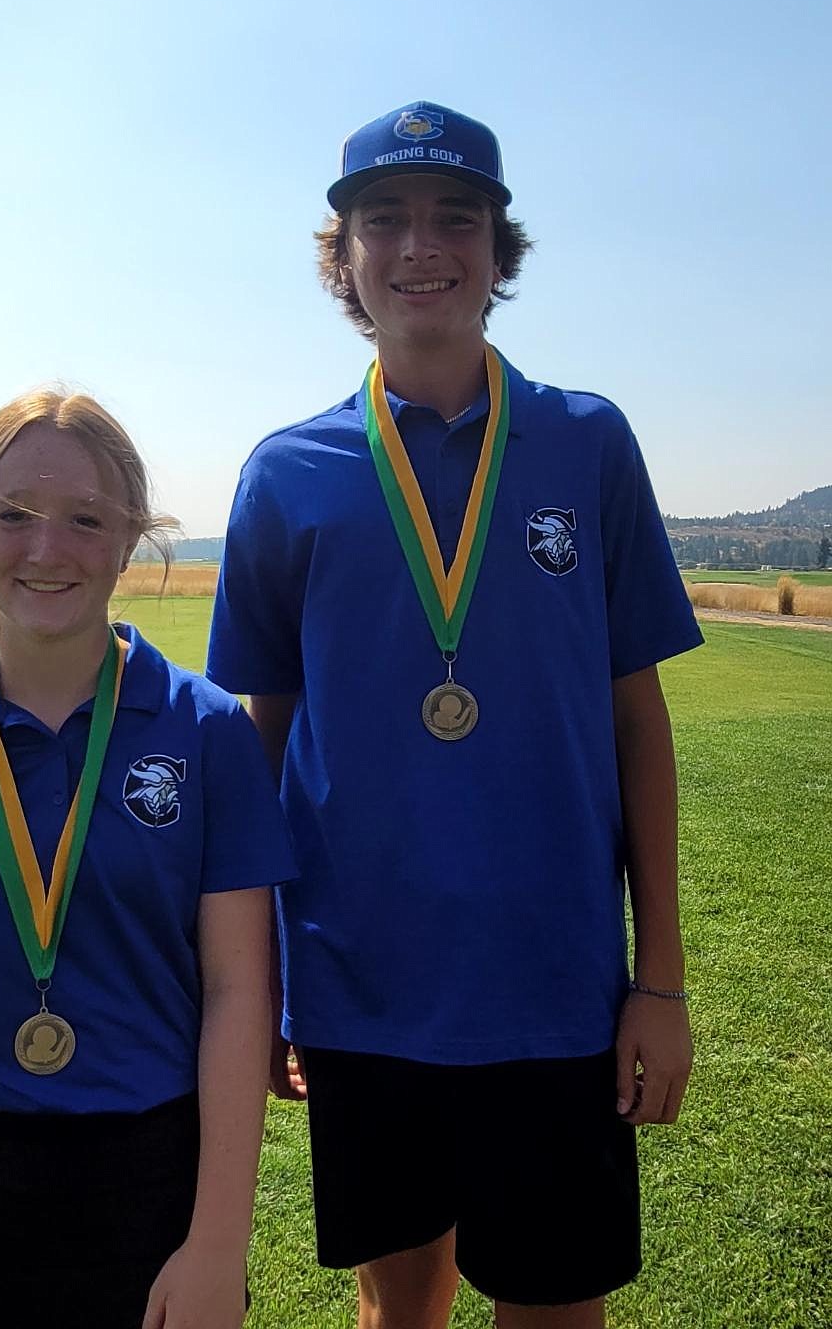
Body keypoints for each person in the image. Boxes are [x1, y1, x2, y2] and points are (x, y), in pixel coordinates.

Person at [206, 101, 702, 1329]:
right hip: (360, 987)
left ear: (499, 250)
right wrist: (263, 986)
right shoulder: (286, 472)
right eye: (385, 220)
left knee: (554, 1308)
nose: (421, 246)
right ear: (344, 257)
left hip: (555, 986)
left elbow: (638, 721)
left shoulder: (588, 443)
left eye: (455, 218)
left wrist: (663, 979)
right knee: (401, 1308)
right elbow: (255, 749)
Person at [0, 389, 295, 1329]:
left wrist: (217, 1247)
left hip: (148, 1181)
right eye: (14, 516)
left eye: (85, 519)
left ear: (129, 540)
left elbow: (239, 993)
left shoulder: (208, 735)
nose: (47, 550)